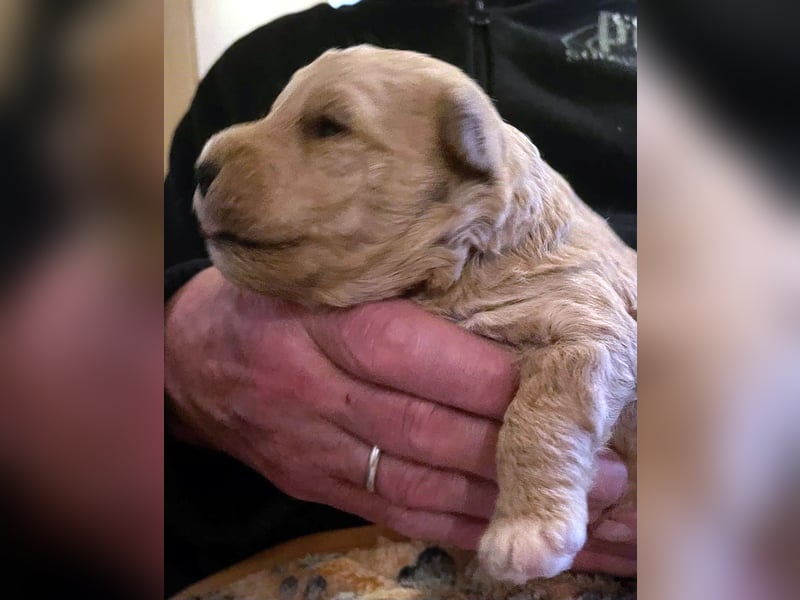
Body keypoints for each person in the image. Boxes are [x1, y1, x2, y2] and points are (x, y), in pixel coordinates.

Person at [164, 0, 636, 594]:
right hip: (288, 556)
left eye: (327, 128)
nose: (224, 153)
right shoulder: (253, 65)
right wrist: (175, 350)